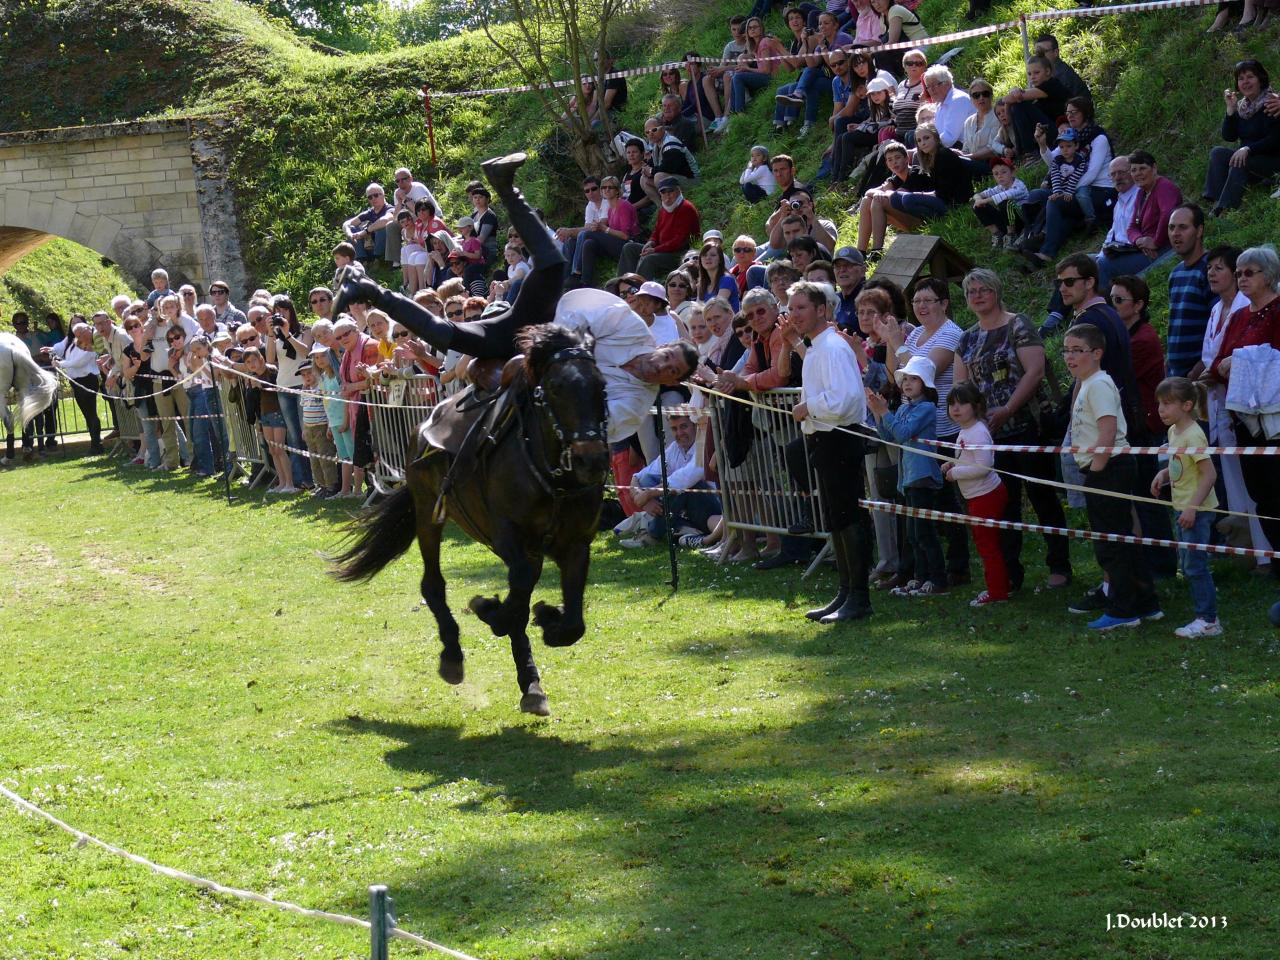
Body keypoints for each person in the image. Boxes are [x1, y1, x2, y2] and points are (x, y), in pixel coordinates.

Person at [954, 268, 1071, 591]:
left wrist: (1007, 409)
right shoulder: (966, 338)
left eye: (984, 289)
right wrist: (975, 420)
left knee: (1043, 497)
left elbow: (1034, 372)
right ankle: (1010, 572)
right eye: (971, 291)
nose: (977, 296)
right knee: (1003, 504)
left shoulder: (1018, 324)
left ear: (997, 291)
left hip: (1027, 427)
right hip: (990, 435)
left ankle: (1059, 566)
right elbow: (961, 386)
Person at [1063, 323, 1161, 630]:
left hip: (1109, 468)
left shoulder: (1099, 385)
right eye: (1066, 350)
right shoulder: (1088, 384)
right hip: (1105, 468)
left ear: (1097, 353)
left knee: (1111, 543)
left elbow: (1107, 431)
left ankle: (1123, 610)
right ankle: (1145, 604)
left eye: (1077, 350)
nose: (1070, 357)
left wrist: (1096, 470)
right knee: (1120, 539)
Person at [784, 280, 871, 623]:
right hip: (825, 439)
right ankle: (845, 592)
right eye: (792, 308)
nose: (794, 315)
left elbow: (848, 400)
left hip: (841, 438)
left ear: (822, 310)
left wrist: (810, 407)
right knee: (836, 517)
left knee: (847, 516)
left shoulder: (833, 347)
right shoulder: (816, 347)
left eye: (801, 308)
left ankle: (859, 597)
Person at [1207, 244, 1280, 555]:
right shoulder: (1237, 317)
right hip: (1244, 419)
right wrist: (1230, 364)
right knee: (1261, 493)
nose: (1241, 278)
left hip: (1274, 417)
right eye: (1238, 273)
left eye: (1249, 272)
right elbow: (1217, 363)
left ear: (1270, 275)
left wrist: (1241, 361)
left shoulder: (1278, 311)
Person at [868, 355, 946, 597]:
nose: (908, 383)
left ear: (926, 383)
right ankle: (920, 578)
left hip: (923, 476)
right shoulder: (903, 408)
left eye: (914, 378)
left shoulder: (926, 408)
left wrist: (885, 413)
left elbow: (902, 434)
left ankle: (938, 580)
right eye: (905, 379)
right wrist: (879, 414)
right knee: (912, 534)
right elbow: (889, 437)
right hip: (908, 477)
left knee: (924, 532)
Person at [1151, 377, 1222, 638]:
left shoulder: (1193, 434)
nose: (1161, 409)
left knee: (1195, 565)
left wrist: (1192, 508)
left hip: (1197, 511)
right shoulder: (1173, 432)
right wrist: (1163, 476)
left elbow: (1209, 474)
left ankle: (1209, 620)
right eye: (1160, 403)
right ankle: (1204, 610)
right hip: (1182, 507)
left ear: (1187, 405)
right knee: (1190, 563)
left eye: (1167, 404)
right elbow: (1180, 466)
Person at [942, 382, 1010, 607]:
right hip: (976, 496)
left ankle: (997, 591)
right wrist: (950, 463)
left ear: (975, 405)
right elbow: (966, 457)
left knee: (987, 544)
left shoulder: (978, 432)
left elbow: (983, 467)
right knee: (985, 543)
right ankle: (997, 585)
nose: (956, 408)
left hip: (986, 495)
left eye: (962, 403)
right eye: (952, 404)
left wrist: (955, 473)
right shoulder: (965, 430)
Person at [621, 413, 721, 547]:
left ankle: (652, 533)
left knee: (680, 489)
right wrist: (642, 498)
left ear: (695, 426)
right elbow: (639, 476)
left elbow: (686, 477)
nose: (679, 433)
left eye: (684, 426)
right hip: (690, 510)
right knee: (648, 479)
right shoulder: (675, 448)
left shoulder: (703, 445)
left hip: (714, 507)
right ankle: (677, 528)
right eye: (674, 429)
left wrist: (648, 494)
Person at [1093, 151, 1183, 292]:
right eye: (1134, 170)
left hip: (1163, 248)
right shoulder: (1142, 192)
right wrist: (1139, 240)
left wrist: (1155, 242)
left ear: (1154, 168)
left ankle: (1104, 308)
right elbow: (1131, 227)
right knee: (1081, 263)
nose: (1138, 173)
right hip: (1142, 248)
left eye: (1142, 168)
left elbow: (1168, 216)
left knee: (1104, 264)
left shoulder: (1164, 187)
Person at [1202, 58, 1280, 216]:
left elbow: (1276, 139)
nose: (1246, 82)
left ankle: (1225, 209)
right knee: (1217, 153)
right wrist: (1230, 111)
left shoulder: (1272, 102)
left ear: (1260, 79)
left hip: (1272, 161)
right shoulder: (1243, 107)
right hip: (1250, 159)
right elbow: (1229, 136)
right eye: (1241, 79)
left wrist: (1248, 149)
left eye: (1250, 77)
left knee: (1241, 161)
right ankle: (1215, 200)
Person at [852, 139, 934, 262]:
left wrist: (883, 191)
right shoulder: (895, 178)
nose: (894, 162)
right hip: (907, 218)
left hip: (925, 220)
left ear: (907, 159)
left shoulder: (916, 173)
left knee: (878, 200)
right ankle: (861, 252)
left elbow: (895, 196)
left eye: (897, 158)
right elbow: (868, 192)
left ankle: (877, 251)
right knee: (866, 201)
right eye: (890, 160)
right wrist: (882, 191)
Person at [618, 178, 701, 280]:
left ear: (679, 191)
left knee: (649, 259)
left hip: (680, 253)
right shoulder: (663, 209)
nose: (667, 195)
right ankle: (622, 282)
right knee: (629, 247)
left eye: (670, 191)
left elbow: (679, 241)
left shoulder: (686, 208)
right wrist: (651, 242)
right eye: (663, 192)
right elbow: (657, 230)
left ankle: (639, 288)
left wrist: (655, 250)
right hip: (662, 249)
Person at [1166, 204, 1213, 378]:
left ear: (1199, 230)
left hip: (1200, 376)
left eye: (1183, 227)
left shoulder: (1210, 270)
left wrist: (1199, 368)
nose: (1175, 233)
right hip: (1175, 375)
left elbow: (1219, 324)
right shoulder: (1176, 273)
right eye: (1171, 227)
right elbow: (1175, 323)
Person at [572, 176, 640, 289]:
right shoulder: (610, 209)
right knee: (589, 243)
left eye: (610, 187)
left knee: (586, 234)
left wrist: (604, 229)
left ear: (617, 190)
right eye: (603, 187)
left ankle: (577, 272)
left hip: (628, 246)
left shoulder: (623, 206)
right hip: (615, 244)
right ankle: (585, 283)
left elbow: (625, 236)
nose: (606, 190)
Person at [724, 16, 787, 132]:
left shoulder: (764, 43)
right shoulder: (755, 45)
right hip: (766, 76)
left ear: (761, 28)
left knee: (738, 77)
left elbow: (766, 70)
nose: (752, 30)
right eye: (750, 28)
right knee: (734, 77)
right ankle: (734, 115)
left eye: (755, 27)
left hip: (773, 78)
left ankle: (740, 112)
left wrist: (747, 68)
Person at [48, 322, 104, 454]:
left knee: (91, 413)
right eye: (77, 335)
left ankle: (97, 445)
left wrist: (60, 364)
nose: (78, 338)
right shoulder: (76, 342)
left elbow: (78, 362)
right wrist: (57, 358)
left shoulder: (92, 343)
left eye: (80, 334)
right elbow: (70, 357)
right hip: (76, 381)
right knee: (87, 414)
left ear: (87, 330)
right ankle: (95, 444)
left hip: (87, 380)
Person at [1005, 56, 1071, 165]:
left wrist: (1013, 95)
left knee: (1020, 105)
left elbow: (1009, 98)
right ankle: (1024, 155)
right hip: (1046, 131)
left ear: (1048, 71)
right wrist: (1010, 99)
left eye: (1036, 73)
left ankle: (1030, 153)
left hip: (1061, 133)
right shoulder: (1037, 91)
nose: (1032, 77)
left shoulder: (1052, 85)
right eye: (1029, 74)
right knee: (1017, 106)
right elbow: (1007, 119)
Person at [703, 15, 751, 133]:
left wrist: (723, 68)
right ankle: (718, 117)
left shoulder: (749, 44)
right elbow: (722, 65)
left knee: (727, 74)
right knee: (706, 79)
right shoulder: (729, 46)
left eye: (739, 29)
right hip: (728, 73)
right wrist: (715, 71)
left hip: (741, 74)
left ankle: (726, 116)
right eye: (733, 29)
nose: (737, 33)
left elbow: (746, 65)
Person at [639, 119, 700, 209]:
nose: (651, 134)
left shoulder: (670, 143)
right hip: (677, 178)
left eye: (654, 130)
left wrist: (651, 171)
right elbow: (654, 166)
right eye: (647, 132)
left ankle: (674, 205)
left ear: (663, 128)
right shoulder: (656, 146)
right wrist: (646, 169)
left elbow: (668, 167)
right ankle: (662, 208)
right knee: (643, 179)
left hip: (692, 180)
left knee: (659, 177)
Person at [972, 158, 1030, 247]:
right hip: (1006, 221)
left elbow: (1006, 195)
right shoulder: (1000, 187)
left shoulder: (1019, 185)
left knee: (1005, 202)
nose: (1000, 176)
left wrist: (985, 200)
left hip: (1021, 221)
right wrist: (978, 199)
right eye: (996, 174)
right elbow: (979, 194)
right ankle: (997, 234)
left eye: (1004, 172)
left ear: (1013, 172)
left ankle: (1011, 235)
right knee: (977, 206)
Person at [922, 65, 974, 149]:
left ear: (947, 83)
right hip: (952, 146)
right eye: (928, 87)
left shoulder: (958, 100)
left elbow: (949, 138)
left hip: (966, 149)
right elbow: (937, 133)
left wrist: (923, 148)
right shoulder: (940, 104)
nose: (931, 90)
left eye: (934, 85)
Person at [343, 183, 395, 263]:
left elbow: (385, 220)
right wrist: (350, 234)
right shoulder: (370, 212)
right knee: (352, 228)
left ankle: (378, 260)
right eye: (370, 197)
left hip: (385, 248)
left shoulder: (390, 209)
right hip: (369, 247)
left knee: (381, 227)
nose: (373, 199)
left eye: (376, 195)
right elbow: (347, 224)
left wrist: (365, 231)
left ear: (383, 195)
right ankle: (362, 260)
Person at [1032, 33, 1089, 100]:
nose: (1038, 56)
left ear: (1055, 52)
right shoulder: (1051, 71)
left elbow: (1043, 93)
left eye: (1042, 52)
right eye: (1037, 53)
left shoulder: (1062, 73)